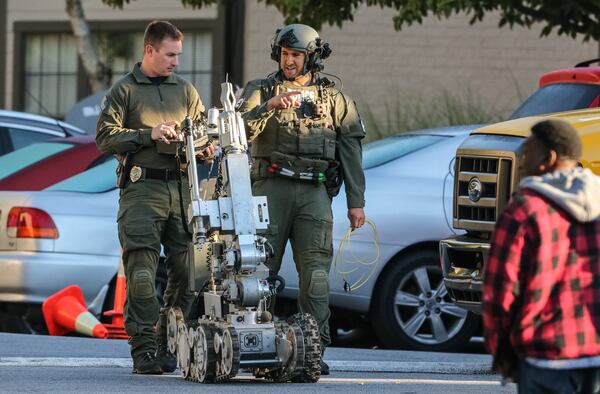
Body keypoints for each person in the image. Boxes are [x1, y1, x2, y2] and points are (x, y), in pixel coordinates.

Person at [238, 24, 366, 375]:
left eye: (295, 55)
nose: (289, 61)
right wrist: (269, 106)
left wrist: (357, 201)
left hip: (315, 193)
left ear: (311, 57)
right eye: (284, 54)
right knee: (260, 273)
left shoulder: (334, 99)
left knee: (316, 276)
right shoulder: (261, 90)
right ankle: (255, 345)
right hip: (270, 189)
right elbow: (236, 130)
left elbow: (351, 150)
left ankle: (313, 349)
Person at [96, 20, 213, 375]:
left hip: (181, 189)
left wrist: (205, 146)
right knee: (143, 274)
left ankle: (166, 340)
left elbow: (204, 135)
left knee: (192, 270)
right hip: (142, 191)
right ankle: (143, 350)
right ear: (150, 50)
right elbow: (104, 137)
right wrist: (150, 134)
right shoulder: (125, 91)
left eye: (179, 55)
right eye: (170, 54)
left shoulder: (186, 90)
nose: (176, 61)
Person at [483, 119, 600, 393]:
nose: (521, 162)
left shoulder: (524, 209)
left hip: (546, 357)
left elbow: (500, 290)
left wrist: (502, 353)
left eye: (527, 152)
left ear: (548, 158)